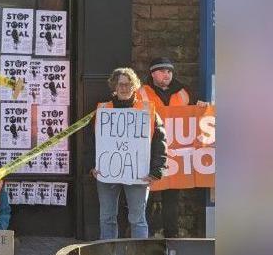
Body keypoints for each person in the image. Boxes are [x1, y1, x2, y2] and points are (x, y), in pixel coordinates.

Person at [87, 67, 168, 239]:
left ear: (135, 86)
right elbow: (91, 142)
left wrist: (156, 171)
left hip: (138, 174)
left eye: (128, 84)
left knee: (138, 219)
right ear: (114, 87)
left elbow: (159, 143)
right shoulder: (103, 111)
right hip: (106, 173)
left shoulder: (147, 111)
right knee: (106, 218)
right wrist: (91, 166)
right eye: (120, 84)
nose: (124, 88)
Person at [139, 56, 208, 237]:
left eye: (169, 71)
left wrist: (202, 107)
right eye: (162, 71)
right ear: (153, 73)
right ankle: (144, 237)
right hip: (149, 152)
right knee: (144, 197)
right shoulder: (142, 92)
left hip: (175, 155)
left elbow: (194, 118)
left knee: (172, 198)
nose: (167, 74)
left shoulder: (184, 92)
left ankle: (172, 236)